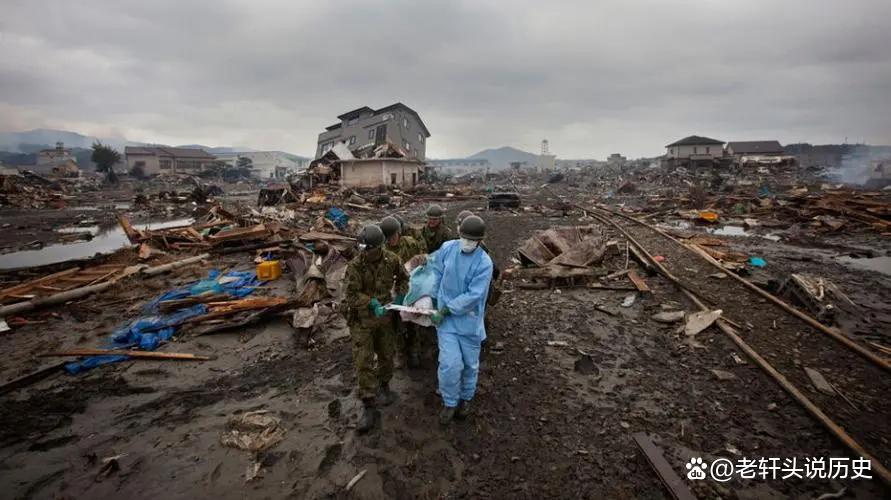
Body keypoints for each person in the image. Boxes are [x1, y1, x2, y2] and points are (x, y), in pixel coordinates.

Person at [425, 215, 493, 425]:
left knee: (469, 365)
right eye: (464, 238)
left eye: (471, 240)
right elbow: (435, 269)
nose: (466, 243)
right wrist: (431, 297)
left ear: (479, 241)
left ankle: (466, 398)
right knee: (449, 364)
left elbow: (474, 296)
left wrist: (446, 310)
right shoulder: (448, 248)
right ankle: (450, 402)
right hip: (446, 323)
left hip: (468, 321)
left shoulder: (484, 262)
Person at [344, 224, 408, 433]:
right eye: (362, 249)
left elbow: (404, 277)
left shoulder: (391, 260)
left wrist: (399, 294)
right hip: (362, 319)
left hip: (385, 318)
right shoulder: (355, 266)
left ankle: (384, 385)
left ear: (379, 246)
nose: (364, 253)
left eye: (368, 249)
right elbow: (351, 295)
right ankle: (368, 403)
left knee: (387, 354)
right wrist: (370, 302)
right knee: (363, 360)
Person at [379, 216, 425, 368]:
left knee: (413, 322)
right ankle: (400, 352)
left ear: (398, 232)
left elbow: (423, 261)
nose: (391, 240)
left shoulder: (410, 244)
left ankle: (414, 351)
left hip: (412, 288)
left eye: (392, 236)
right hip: (393, 291)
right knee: (395, 324)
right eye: (387, 238)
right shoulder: (382, 250)